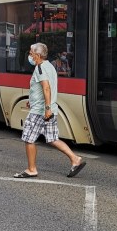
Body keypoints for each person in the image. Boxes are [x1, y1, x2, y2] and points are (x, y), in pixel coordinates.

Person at [13, 43, 86, 179]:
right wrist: (34, 100)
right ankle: (75, 159)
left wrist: (46, 109)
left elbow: (46, 88)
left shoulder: (40, 68)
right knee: (52, 138)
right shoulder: (50, 66)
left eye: (31, 53)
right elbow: (44, 89)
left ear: (37, 55)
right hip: (50, 108)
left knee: (29, 138)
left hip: (40, 111)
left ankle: (31, 169)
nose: (29, 55)